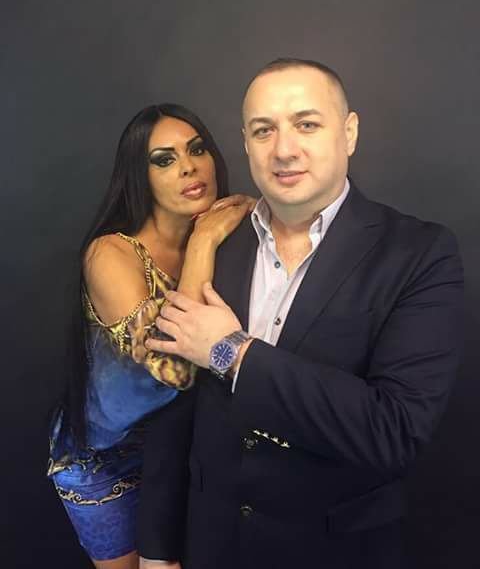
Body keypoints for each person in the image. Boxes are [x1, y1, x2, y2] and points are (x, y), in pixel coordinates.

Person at [141, 59, 464, 569]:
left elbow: (393, 430)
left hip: (334, 552)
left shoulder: (420, 254)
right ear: (246, 143)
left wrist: (232, 352)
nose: (284, 149)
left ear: (349, 132)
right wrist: (156, 551)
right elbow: (174, 409)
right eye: (263, 130)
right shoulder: (213, 241)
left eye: (306, 124)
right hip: (211, 546)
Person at [47, 103, 253, 569]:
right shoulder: (110, 254)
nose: (189, 167)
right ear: (139, 177)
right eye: (164, 159)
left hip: (182, 449)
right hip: (103, 460)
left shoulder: (232, 234)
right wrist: (203, 242)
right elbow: (175, 369)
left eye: (197, 149)